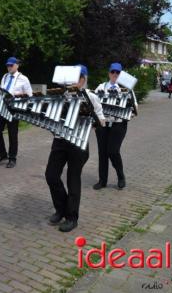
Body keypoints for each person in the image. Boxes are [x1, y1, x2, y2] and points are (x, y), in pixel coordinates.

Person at [45, 65, 105, 233]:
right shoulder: (60, 96)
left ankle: (72, 217)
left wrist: (91, 117)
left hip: (79, 142)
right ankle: (61, 209)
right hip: (60, 140)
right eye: (73, 77)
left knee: (73, 178)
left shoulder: (91, 97)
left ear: (84, 79)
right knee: (51, 175)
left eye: (79, 78)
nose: (75, 81)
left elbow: (101, 121)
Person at [93, 63, 134, 191]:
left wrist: (130, 110)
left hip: (118, 124)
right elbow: (93, 105)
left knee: (113, 151)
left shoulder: (126, 88)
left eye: (117, 73)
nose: (115, 75)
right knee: (102, 153)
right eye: (113, 72)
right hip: (103, 124)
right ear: (109, 73)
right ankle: (102, 180)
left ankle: (120, 176)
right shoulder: (101, 87)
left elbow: (135, 108)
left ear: (121, 75)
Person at [0, 57, 33, 168]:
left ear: (17, 65)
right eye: (8, 65)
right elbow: (2, 90)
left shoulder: (23, 79)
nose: (9, 67)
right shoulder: (5, 77)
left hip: (14, 109)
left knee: (12, 134)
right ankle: (2, 154)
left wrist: (19, 100)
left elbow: (29, 95)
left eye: (11, 65)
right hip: (2, 107)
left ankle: (12, 158)